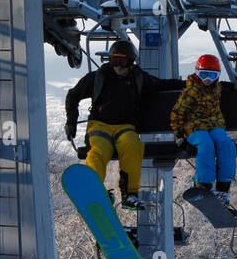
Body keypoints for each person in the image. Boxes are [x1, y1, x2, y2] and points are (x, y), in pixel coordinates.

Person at [65, 39, 167, 209]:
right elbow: (73, 95)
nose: (118, 66)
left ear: (131, 63)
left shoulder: (138, 78)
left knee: (133, 146)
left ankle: (130, 193)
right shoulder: (98, 78)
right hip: (99, 125)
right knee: (99, 151)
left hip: (125, 126)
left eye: (123, 61)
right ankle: (94, 189)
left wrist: (192, 83)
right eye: (114, 61)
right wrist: (71, 122)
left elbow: (162, 85)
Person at [171, 54, 237, 204]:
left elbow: (219, 87)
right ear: (197, 73)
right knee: (206, 145)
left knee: (226, 144)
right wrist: (178, 134)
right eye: (204, 74)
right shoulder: (191, 92)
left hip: (214, 125)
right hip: (194, 127)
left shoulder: (216, 88)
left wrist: (227, 86)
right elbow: (177, 113)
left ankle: (223, 187)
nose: (207, 79)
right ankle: (204, 185)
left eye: (212, 75)